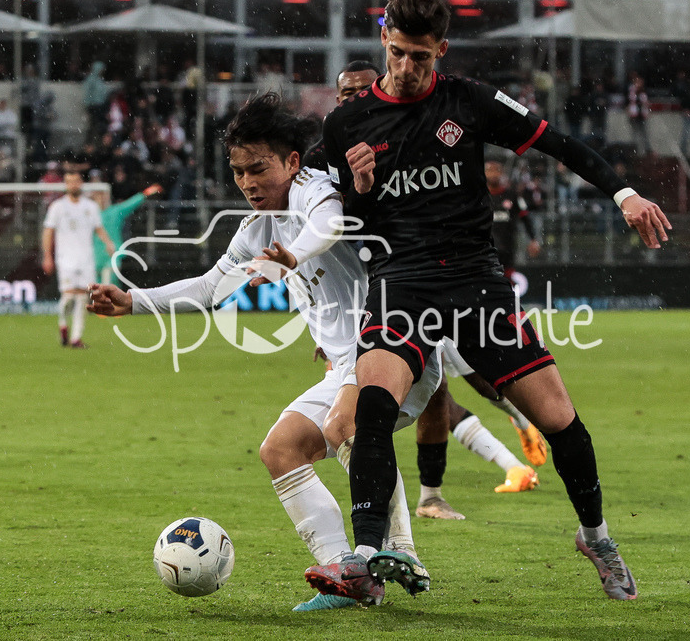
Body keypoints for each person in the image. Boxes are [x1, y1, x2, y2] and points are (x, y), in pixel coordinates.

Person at [307, 0, 671, 603]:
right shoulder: (347, 122)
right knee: (372, 405)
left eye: (420, 57)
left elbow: (561, 145)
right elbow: (345, 221)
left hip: (477, 282)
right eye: (397, 53)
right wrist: (360, 186)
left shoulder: (469, 100)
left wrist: (624, 195)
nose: (405, 68)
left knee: (560, 420)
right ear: (384, 41)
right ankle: (365, 555)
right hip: (403, 281)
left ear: (440, 50)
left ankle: (597, 538)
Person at [87, 93, 440, 610]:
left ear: (292, 162)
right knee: (280, 450)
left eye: (258, 168)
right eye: (238, 172)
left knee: (348, 426)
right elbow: (211, 288)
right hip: (346, 363)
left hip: (395, 345)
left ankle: (401, 552)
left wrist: (295, 253)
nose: (248, 183)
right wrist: (133, 302)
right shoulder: (257, 228)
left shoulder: (312, 188)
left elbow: (330, 224)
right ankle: (352, 578)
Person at [306, 61, 545, 522]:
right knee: (431, 388)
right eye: (345, 94)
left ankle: (433, 494)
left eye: (363, 90)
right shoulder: (322, 158)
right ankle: (423, 502)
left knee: (452, 377)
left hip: (424, 282)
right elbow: (321, 244)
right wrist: (328, 321)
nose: (355, 99)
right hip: (372, 297)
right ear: (336, 101)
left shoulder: (404, 136)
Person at [42, 170, 115, 349]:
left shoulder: (90, 207)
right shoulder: (57, 207)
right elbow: (48, 231)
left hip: (85, 259)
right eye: (69, 182)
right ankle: (63, 324)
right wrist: (47, 256)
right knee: (68, 297)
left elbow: (98, 228)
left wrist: (108, 243)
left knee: (83, 297)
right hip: (65, 259)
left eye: (76, 181)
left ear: (80, 183)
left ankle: (76, 338)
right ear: (66, 185)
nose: (73, 185)